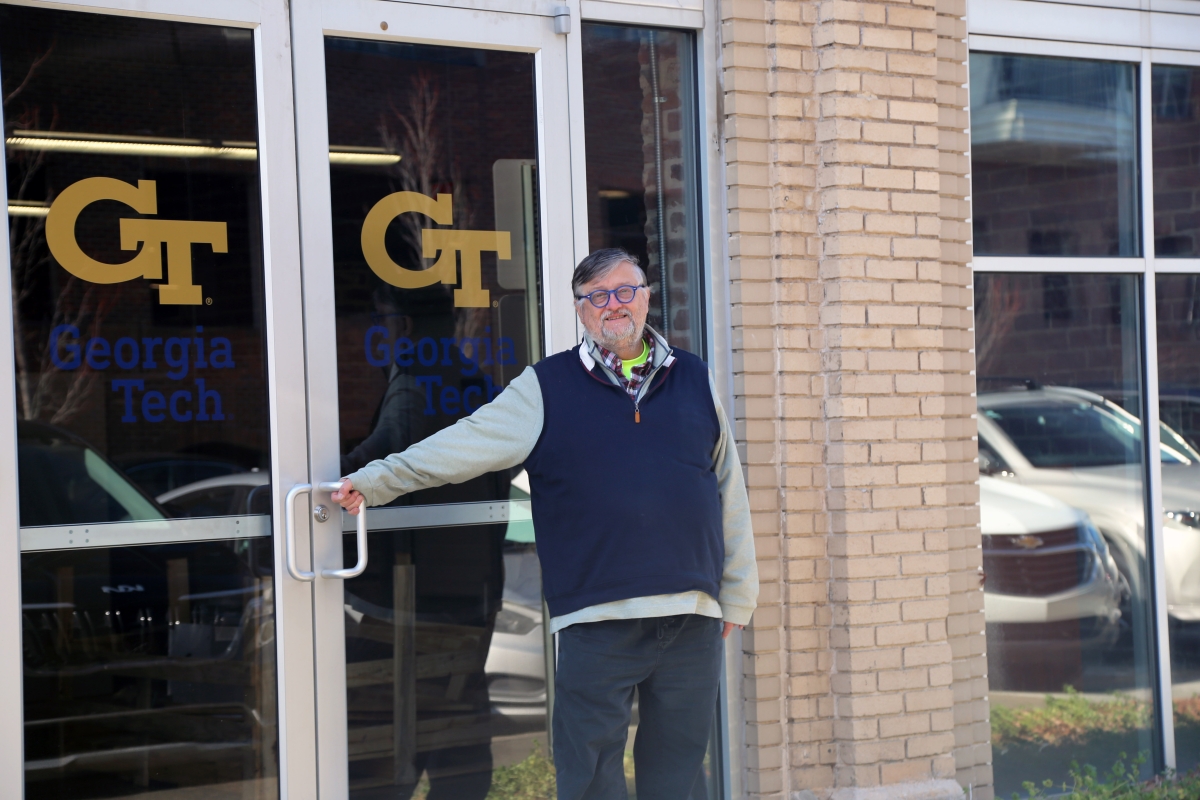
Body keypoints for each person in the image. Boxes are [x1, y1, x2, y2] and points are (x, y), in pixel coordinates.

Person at [332, 247, 758, 799]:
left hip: (691, 619)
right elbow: (462, 445)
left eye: (626, 290)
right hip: (596, 618)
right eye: (597, 296)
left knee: (678, 774)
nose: (614, 305)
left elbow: (728, 487)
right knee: (588, 777)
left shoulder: (693, 379)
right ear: (580, 310)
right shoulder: (546, 387)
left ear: (647, 297)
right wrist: (375, 480)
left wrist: (739, 592)